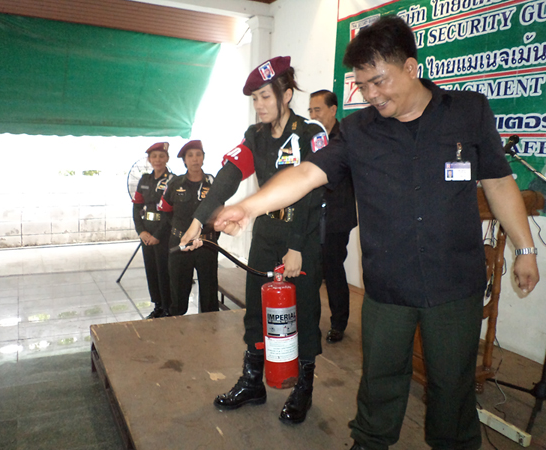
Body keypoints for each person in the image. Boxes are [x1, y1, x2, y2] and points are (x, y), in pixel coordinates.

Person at [210, 16, 539, 450]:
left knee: (452, 386)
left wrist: (525, 249)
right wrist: (247, 207)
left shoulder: (468, 111)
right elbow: (307, 173)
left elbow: (497, 182)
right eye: (362, 85)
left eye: (378, 81)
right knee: (380, 381)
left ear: (411, 67)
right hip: (388, 286)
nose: (371, 94)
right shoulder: (359, 130)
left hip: (455, 282)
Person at [180, 56, 329, 425]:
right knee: (256, 311)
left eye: (265, 96)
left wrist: (297, 246)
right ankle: (252, 382)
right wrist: (199, 220)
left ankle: (303, 387)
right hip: (266, 234)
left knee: (303, 311)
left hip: (302, 235)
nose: (259, 105)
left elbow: (316, 194)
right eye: (254, 99)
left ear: (286, 94)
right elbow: (228, 176)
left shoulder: (310, 133)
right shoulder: (255, 136)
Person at [309, 90, 357, 343]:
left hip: (337, 216)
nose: (313, 115)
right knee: (310, 269)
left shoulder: (346, 138)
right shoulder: (310, 138)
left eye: (317, 110)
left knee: (333, 269)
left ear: (333, 110)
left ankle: (339, 323)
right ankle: (309, 320)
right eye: (310, 110)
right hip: (313, 216)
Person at [158, 140, 219, 316]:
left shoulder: (212, 183)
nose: (195, 159)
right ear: (184, 160)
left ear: (203, 158)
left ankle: (210, 329)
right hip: (180, 245)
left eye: (198, 154)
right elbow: (165, 211)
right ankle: (177, 329)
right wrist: (178, 231)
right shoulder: (175, 183)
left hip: (206, 245)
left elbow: (219, 213)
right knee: (178, 295)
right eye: (190, 155)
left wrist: (210, 236)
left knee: (209, 296)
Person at [132, 142, 173, 319]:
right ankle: (157, 306)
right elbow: (136, 207)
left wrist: (157, 235)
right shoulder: (144, 180)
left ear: (167, 158)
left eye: (161, 156)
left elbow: (171, 212)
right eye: (154, 156)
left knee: (165, 271)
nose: (158, 160)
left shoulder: (173, 181)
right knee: (152, 270)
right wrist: (141, 231)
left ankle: (168, 308)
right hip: (146, 231)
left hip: (164, 232)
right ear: (149, 159)